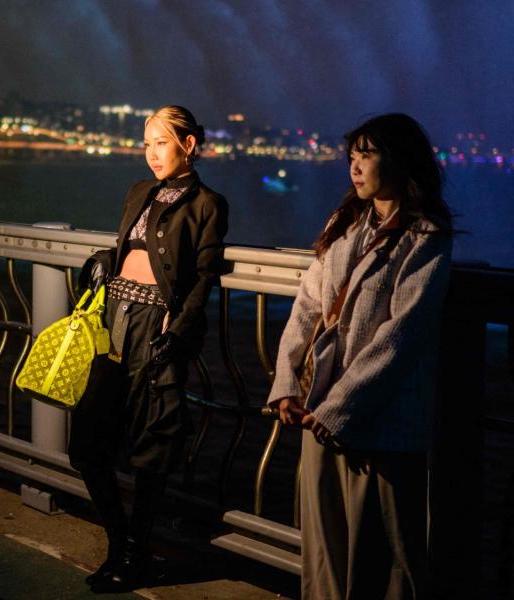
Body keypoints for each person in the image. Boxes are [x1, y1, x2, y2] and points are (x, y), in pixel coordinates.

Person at [268, 113, 453, 600]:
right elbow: (308, 305)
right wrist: (286, 382)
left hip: (381, 422)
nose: (355, 166)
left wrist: (339, 406)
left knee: (385, 556)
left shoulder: (426, 236)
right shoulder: (346, 222)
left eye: (367, 155)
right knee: (325, 549)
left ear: (399, 160)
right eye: (352, 156)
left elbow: (402, 334)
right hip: (318, 412)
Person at [69, 105, 229, 593]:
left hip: (158, 329)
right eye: (146, 144)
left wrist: (178, 330)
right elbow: (127, 252)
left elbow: (204, 277)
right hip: (113, 322)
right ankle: (124, 545)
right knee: (88, 443)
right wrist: (103, 261)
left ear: (188, 145)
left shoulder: (208, 204)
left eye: (161, 142)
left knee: (152, 447)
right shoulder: (138, 192)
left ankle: (133, 552)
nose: (151, 153)